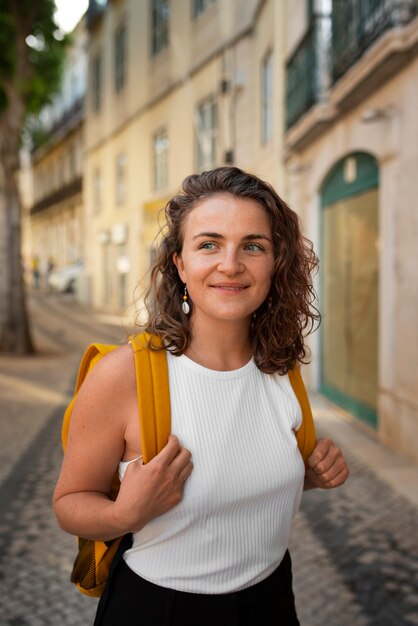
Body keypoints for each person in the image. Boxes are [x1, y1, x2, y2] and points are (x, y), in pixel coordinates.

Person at [53, 166, 349, 626]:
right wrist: (126, 514)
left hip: (271, 603)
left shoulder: (280, 365)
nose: (230, 264)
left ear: (276, 262)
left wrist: (303, 474)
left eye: (253, 246)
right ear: (180, 263)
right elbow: (70, 502)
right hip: (159, 611)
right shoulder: (124, 374)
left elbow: (236, 482)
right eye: (209, 244)